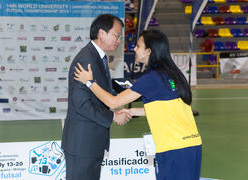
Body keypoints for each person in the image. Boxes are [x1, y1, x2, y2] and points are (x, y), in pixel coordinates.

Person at [74, 29, 202, 180]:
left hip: (173, 149)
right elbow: (168, 109)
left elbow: (113, 102)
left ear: (149, 51)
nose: (134, 49)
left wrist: (89, 82)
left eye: (138, 46)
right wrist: (134, 111)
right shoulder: (173, 74)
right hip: (192, 145)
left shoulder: (151, 79)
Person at [61, 14, 131, 180]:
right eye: (116, 35)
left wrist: (119, 106)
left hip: (90, 142)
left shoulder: (99, 57)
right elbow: (81, 104)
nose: (119, 41)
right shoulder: (87, 59)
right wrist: (112, 116)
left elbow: (101, 95)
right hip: (82, 144)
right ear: (102, 34)